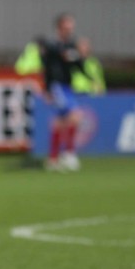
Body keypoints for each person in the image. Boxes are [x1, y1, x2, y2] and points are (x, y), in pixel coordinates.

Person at [41, 13, 85, 172]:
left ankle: (53, 158)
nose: (70, 30)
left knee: (59, 122)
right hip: (57, 87)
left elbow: (79, 67)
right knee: (75, 116)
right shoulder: (52, 45)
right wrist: (46, 89)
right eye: (67, 27)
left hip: (67, 87)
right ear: (59, 28)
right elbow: (46, 68)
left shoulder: (72, 45)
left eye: (71, 27)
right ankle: (69, 154)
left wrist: (81, 56)